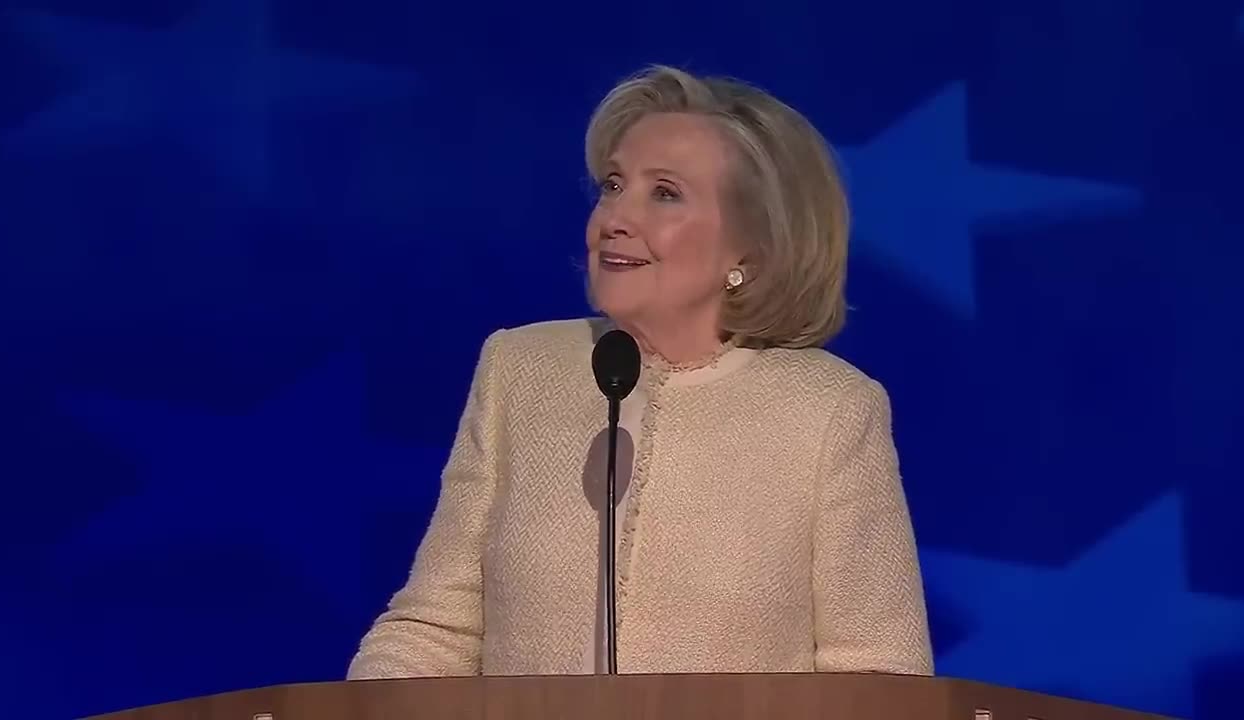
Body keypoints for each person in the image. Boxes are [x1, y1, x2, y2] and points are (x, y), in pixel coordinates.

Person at [347, 64, 933, 679]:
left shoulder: (829, 410)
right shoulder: (519, 370)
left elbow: (878, 676)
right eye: (612, 185)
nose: (614, 219)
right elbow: (435, 628)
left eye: (664, 193)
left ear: (749, 251)